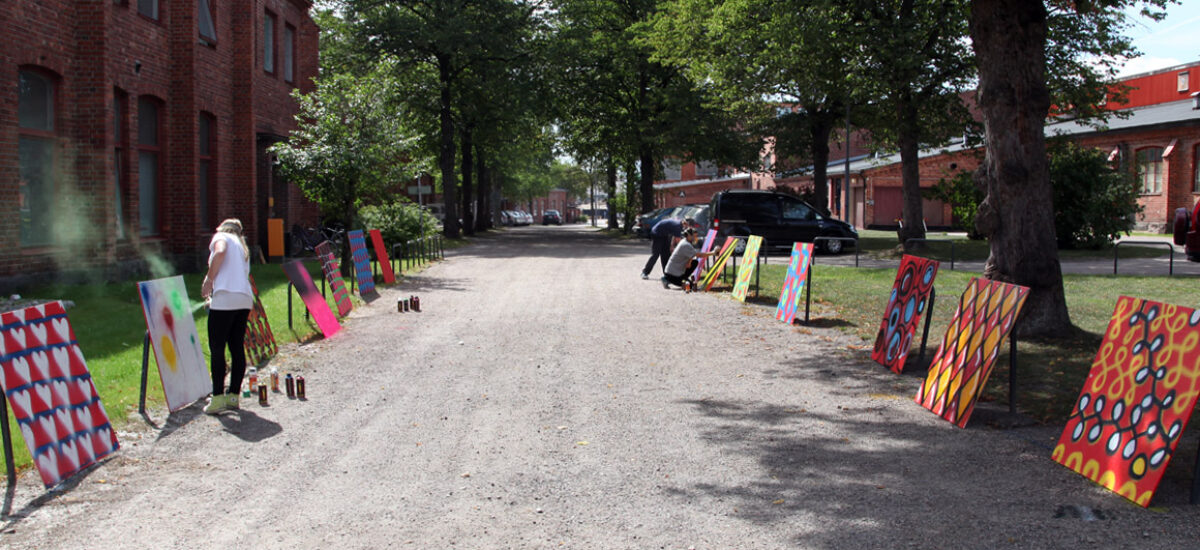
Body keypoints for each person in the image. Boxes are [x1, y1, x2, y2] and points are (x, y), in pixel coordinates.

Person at [200, 219, 254, 414]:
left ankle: (217, 398)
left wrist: (209, 279)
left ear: (222, 228)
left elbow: (220, 252)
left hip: (225, 298)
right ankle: (233, 396)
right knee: (236, 347)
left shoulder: (221, 237)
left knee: (217, 348)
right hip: (244, 299)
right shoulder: (242, 245)